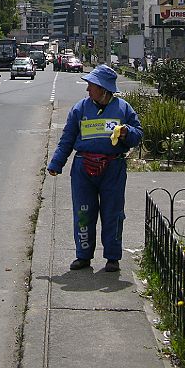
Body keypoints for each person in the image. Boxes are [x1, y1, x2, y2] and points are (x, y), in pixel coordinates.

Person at [46, 64, 142, 273]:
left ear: (103, 88)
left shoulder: (124, 108)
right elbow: (67, 140)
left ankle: (112, 258)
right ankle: (83, 256)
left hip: (113, 168)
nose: (87, 89)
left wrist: (127, 132)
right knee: (83, 213)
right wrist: (56, 163)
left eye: (91, 85)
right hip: (83, 169)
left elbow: (138, 135)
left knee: (113, 213)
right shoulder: (80, 109)